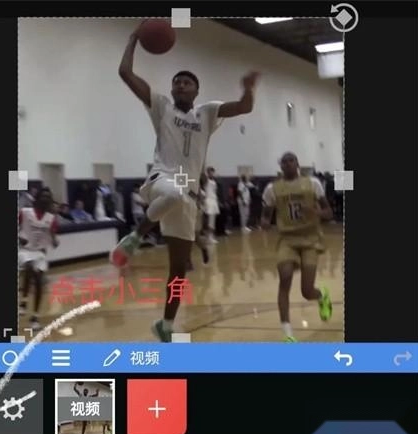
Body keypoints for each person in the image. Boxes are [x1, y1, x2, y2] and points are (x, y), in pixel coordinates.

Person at [110, 22, 260, 342]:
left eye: (187, 82)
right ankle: (135, 237)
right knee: (176, 192)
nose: (180, 85)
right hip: (163, 177)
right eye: (176, 82)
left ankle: (165, 324)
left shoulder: (207, 113)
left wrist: (248, 87)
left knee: (179, 269)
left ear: (196, 91)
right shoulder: (161, 106)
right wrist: (134, 37)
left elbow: (245, 106)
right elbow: (125, 73)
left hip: (187, 193)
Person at [260, 152, 333, 342]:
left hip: (310, 239)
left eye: (291, 160)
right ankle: (288, 334)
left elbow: (329, 213)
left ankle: (321, 296)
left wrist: (319, 212)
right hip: (287, 239)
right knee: (284, 277)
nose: (287, 163)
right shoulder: (272, 189)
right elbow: (265, 215)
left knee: (306, 291)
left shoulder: (313, 184)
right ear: (280, 167)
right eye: (284, 161)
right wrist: (265, 222)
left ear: (298, 163)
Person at [18, 188, 59, 330]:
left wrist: (55, 241)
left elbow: (53, 239)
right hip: (24, 250)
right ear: (37, 198)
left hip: (40, 253)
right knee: (30, 268)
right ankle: (23, 302)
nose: (45, 199)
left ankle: (35, 317)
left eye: (48, 197)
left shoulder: (51, 219)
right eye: (43, 196)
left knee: (39, 282)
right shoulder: (25, 212)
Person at [204, 166, 220, 244]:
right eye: (210, 172)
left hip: (214, 201)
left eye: (213, 172)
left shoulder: (214, 181)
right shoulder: (206, 180)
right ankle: (209, 237)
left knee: (213, 220)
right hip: (209, 201)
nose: (212, 173)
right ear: (208, 172)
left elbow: (215, 191)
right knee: (210, 221)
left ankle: (211, 236)